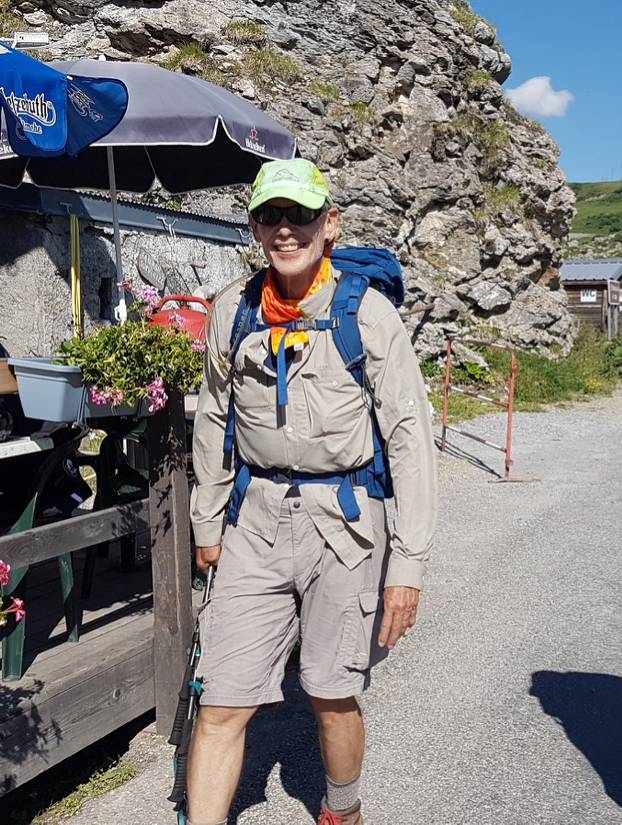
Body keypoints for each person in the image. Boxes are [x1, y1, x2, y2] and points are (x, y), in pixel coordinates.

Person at [186, 158, 437, 825]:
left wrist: (406, 567)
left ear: (331, 225)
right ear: (254, 226)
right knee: (221, 701)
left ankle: (342, 809)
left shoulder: (369, 315)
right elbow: (213, 418)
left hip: (346, 525)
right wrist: (206, 521)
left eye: (300, 214)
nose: (285, 229)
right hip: (253, 521)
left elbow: (411, 440)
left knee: (331, 693)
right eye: (271, 215)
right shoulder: (230, 312)